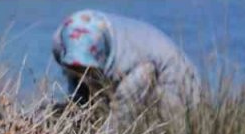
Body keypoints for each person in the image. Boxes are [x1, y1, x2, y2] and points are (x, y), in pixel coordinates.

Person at [52, 9, 199, 126]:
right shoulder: (62, 40)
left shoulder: (132, 62)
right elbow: (78, 91)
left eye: (86, 69)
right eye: (74, 68)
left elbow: (122, 114)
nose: (82, 74)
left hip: (177, 88)